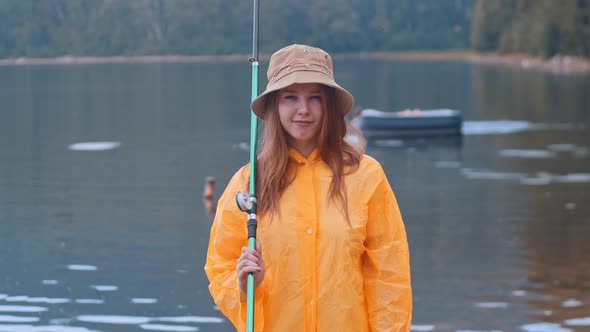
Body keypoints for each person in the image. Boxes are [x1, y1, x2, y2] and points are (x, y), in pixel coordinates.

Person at [204, 44, 412, 331]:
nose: (303, 109)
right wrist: (241, 285)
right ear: (275, 105)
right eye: (291, 97)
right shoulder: (248, 182)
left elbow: (389, 276)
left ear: (329, 105)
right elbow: (220, 267)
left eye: (315, 98)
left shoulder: (367, 175)